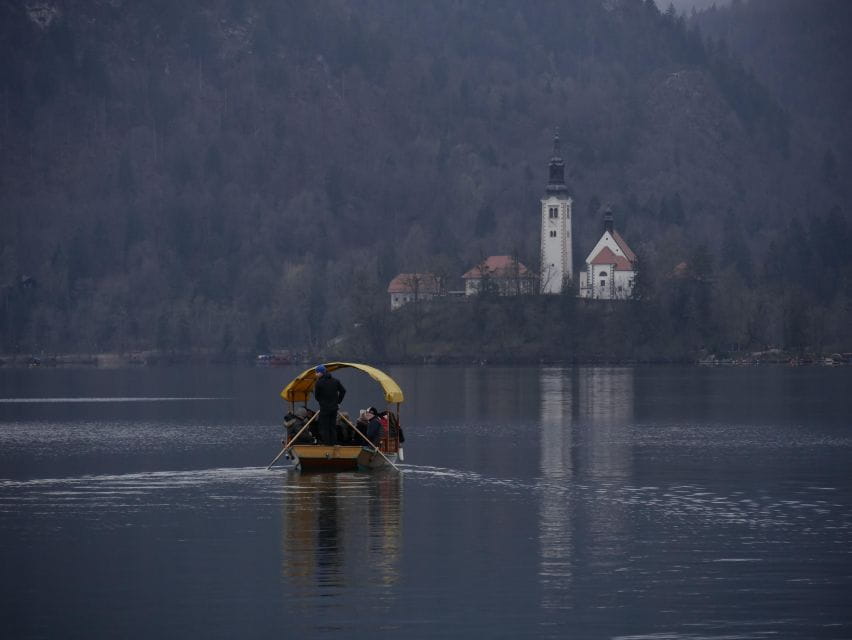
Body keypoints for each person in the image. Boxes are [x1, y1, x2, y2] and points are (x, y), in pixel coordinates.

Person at [313, 364, 346, 445]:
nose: (316, 374)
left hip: (324, 408)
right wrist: (338, 402)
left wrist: (322, 401)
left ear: (321, 373)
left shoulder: (318, 383)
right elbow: (343, 391)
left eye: (317, 372)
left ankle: (327, 445)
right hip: (334, 408)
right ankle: (334, 444)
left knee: (324, 427)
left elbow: (316, 396)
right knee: (332, 427)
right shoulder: (335, 381)